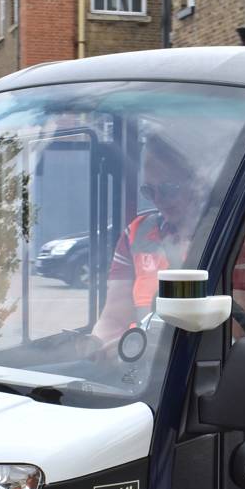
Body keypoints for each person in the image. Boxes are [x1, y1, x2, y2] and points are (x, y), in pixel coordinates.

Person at [92, 134, 206, 344]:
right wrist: (96, 347)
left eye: (168, 189)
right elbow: (113, 318)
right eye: (149, 191)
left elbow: (239, 336)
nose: (158, 200)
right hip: (135, 361)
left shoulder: (231, 235)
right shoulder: (136, 234)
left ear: (197, 182)